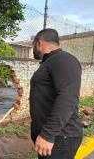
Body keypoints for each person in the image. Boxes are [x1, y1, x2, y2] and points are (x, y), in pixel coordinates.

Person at [30, 29, 83, 159]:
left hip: (60, 137)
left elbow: (68, 98)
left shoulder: (63, 60)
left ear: (39, 43)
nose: (33, 49)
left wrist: (48, 134)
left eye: (33, 45)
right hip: (52, 137)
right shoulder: (50, 61)